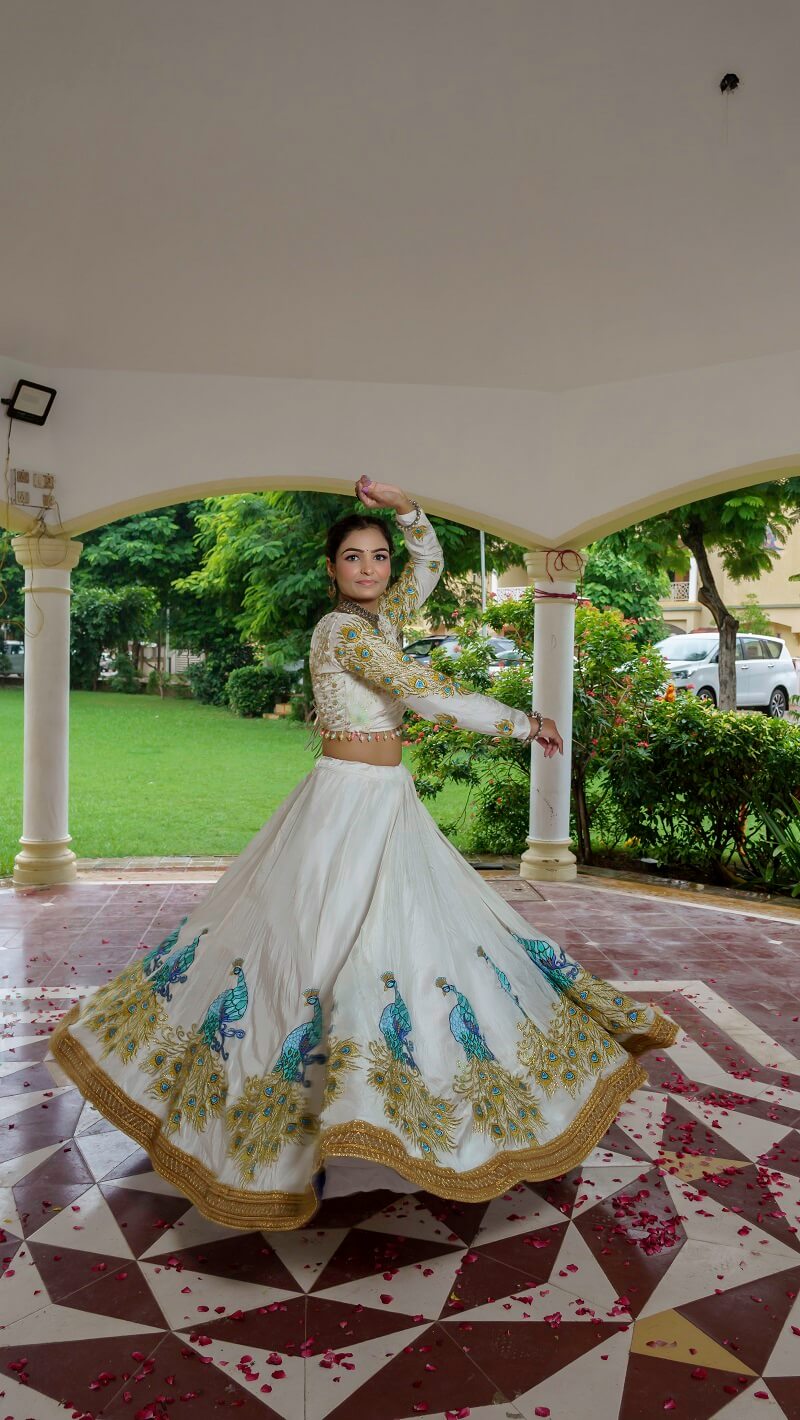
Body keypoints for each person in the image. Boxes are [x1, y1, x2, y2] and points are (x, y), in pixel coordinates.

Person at [51, 477, 676, 1231]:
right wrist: (520, 721)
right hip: (342, 803)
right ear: (333, 569)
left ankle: (383, 1107)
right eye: (355, 558)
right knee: (310, 950)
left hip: (388, 804)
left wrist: (407, 509)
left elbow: (434, 565)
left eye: (380, 556)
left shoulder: (383, 618)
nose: (372, 568)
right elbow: (423, 691)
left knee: (409, 944)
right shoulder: (340, 633)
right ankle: (281, 1134)